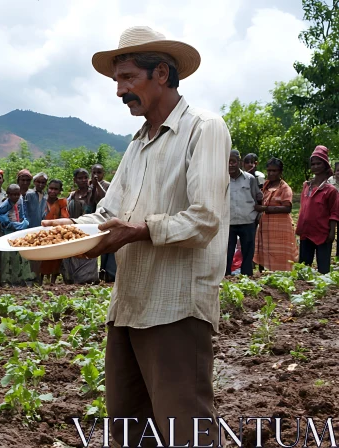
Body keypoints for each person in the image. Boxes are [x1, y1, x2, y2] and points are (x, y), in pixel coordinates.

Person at [43, 26, 230, 445]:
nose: (119, 91)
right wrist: (70, 230)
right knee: (129, 426)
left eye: (127, 78)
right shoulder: (136, 144)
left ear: (160, 73)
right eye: (117, 81)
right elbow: (110, 214)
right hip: (129, 306)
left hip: (176, 306)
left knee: (186, 430)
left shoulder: (204, 129)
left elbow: (204, 219)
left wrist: (140, 230)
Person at [297, 145, 339, 274]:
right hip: (306, 232)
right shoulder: (306, 186)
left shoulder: (330, 190)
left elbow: (334, 212)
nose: (315, 166)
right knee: (304, 267)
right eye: (313, 164)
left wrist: (332, 232)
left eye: (318, 163)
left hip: (322, 233)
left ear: (325, 165)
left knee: (323, 268)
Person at [254, 158, 297, 272]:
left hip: (281, 228)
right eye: (269, 171)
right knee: (265, 251)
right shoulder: (265, 186)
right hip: (266, 227)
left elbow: (287, 208)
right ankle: (264, 274)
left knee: (281, 254)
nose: (271, 173)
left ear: (280, 172)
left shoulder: (284, 188)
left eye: (274, 171)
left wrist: (265, 208)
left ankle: (282, 277)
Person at [227, 150, 262, 276]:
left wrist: (256, 219)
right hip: (229, 223)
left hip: (247, 222)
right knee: (227, 252)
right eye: (228, 162)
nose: (231, 164)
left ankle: (247, 278)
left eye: (233, 161)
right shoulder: (222, 180)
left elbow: (258, 198)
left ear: (239, 163)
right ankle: (226, 277)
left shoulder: (250, 179)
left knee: (247, 253)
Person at [61, 169, 98, 284]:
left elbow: (103, 199)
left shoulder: (93, 193)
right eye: (80, 178)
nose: (83, 180)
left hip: (88, 230)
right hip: (73, 230)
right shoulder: (72, 196)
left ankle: (88, 279)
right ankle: (71, 278)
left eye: (85, 177)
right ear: (75, 180)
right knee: (73, 253)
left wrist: (96, 186)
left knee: (87, 254)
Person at [0, 184, 31, 286]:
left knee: (19, 256)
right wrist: (7, 222)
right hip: (9, 232)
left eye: (17, 194)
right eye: (13, 195)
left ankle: (19, 278)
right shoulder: (6, 204)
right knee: (8, 256)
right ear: (8, 194)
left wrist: (24, 222)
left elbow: (22, 213)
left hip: (19, 231)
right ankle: (6, 280)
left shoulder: (20, 200)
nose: (15, 197)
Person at [39, 179, 69, 285]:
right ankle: (41, 280)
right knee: (42, 257)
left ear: (60, 191)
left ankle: (52, 281)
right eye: (51, 188)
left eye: (56, 189)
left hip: (56, 234)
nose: (53, 191)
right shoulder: (42, 201)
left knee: (56, 258)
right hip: (42, 233)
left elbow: (65, 217)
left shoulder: (61, 203)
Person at [91, 164, 116, 282]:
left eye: (99, 172)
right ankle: (101, 271)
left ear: (103, 174)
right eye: (94, 172)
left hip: (107, 220)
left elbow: (106, 199)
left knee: (108, 246)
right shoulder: (89, 185)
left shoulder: (108, 186)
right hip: (94, 220)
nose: (96, 175)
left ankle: (109, 273)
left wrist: (97, 185)